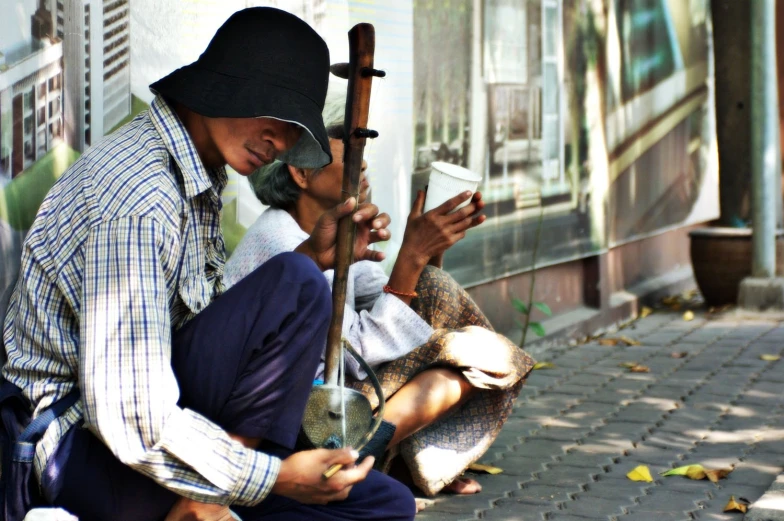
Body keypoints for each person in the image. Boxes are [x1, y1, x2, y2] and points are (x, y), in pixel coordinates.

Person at [1, 8, 416, 521]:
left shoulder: (197, 176)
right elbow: (130, 417)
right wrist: (275, 477)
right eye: (278, 119)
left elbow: (211, 330)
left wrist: (312, 254)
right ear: (229, 86)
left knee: (384, 505)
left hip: (162, 427)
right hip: (75, 445)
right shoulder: (137, 199)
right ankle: (206, 504)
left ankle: (205, 502)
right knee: (297, 282)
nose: (282, 144)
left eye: (295, 134)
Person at [224, 93, 535, 500]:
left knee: (440, 296)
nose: (364, 165)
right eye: (350, 152)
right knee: (479, 357)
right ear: (301, 173)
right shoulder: (281, 241)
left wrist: (430, 244)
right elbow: (355, 354)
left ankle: (411, 462)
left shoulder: (332, 227)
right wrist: (412, 255)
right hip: (303, 418)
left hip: (342, 389)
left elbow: (407, 302)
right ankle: (361, 463)